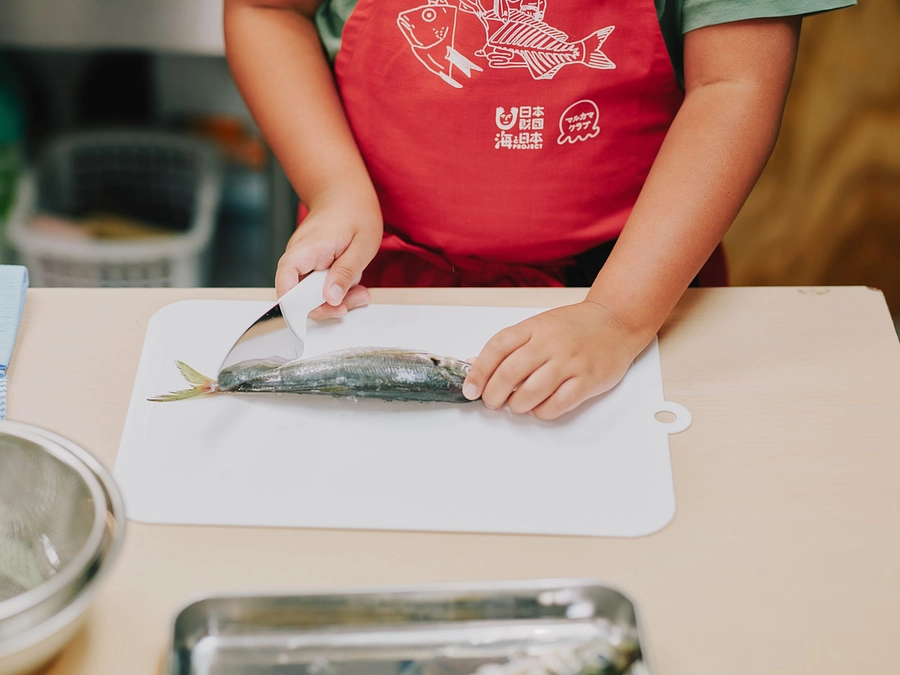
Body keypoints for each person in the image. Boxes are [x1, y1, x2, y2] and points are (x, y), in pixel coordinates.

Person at [223, 0, 853, 420]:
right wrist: (334, 187)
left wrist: (618, 315)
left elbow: (735, 85)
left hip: (630, 284)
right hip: (376, 282)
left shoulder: (625, 305)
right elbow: (267, 8)